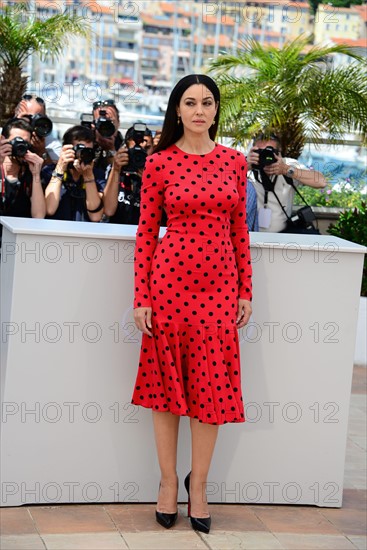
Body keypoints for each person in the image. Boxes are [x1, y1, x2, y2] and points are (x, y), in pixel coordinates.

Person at [132, 74, 252, 533]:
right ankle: (167, 484)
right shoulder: (159, 162)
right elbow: (145, 232)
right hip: (169, 288)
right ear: (177, 110)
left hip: (220, 290)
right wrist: (141, 296)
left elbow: (240, 231)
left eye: (207, 102)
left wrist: (246, 290)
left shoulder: (234, 162)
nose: (199, 110)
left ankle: (197, 486)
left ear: (216, 110)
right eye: (190, 102)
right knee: (166, 391)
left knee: (212, 391)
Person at [247, 133, 326, 233]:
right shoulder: (247, 166)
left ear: (279, 153)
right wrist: (245, 165)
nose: (266, 156)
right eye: (261, 152)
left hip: (282, 236)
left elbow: (321, 182)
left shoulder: (288, 165)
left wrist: (286, 170)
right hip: (251, 235)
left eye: (270, 151)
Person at [43, 125, 105, 222]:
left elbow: (96, 216)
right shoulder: (50, 172)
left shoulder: (97, 175)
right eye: (80, 150)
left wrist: (88, 177)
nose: (83, 155)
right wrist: (60, 167)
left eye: (88, 151)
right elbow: (49, 209)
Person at [0, 118, 46, 244]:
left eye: (24, 143)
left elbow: (39, 216)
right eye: (16, 141)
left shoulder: (30, 175)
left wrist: (36, 175)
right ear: (2, 140)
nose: (19, 146)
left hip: (18, 244)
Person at [102, 123, 158, 224]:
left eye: (146, 148)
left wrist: (150, 181)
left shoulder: (159, 172)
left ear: (153, 149)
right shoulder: (117, 170)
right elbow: (109, 210)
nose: (141, 154)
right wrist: (116, 170)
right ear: (126, 149)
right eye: (135, 149)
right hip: (119, 231)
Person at [14, 94, 62, 163]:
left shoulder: (52, 145)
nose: (32, 122)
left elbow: (55, 171)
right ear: (16, 116)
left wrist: (41, 152)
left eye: (38, 117)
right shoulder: (3, 137)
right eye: (27, 117)